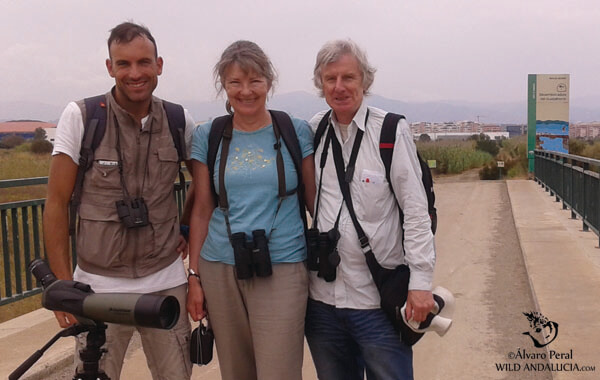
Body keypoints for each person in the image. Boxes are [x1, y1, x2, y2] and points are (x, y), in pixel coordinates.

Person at [43, 22, 196, 380]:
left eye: (144, 62)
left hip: (165, 281)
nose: (135, 73)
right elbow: (56, 202)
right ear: (110, 67)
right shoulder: (82, 116)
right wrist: (62, 286)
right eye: (123, 64)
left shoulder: (178, 119)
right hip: (97, 287)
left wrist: (185, 226)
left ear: (159, 65)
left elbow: (203, 186)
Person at [304, 39, 436, 380]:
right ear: (320, 83)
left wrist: (420, 284)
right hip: (323, 303)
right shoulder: (314, 131)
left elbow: (417, 211)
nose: (339, 87)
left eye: (348, 77)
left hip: (378, 301)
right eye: (330, 78)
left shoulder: (389, 132)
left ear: (365, 80)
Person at [186, 40, 315, 380]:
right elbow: (202, 209)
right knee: (236, 370)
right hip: (219, 267)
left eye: (255, 81)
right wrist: (195, 276)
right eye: (235, 83)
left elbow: (317, 202)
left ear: (269, 83)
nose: (245, 91)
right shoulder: (208, 135)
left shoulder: (295, 131)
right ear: (223, 86)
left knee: (280, 370)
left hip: (283, 264)